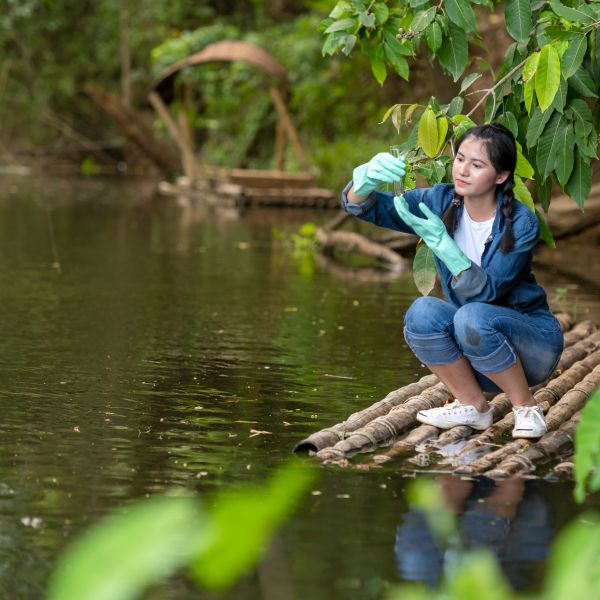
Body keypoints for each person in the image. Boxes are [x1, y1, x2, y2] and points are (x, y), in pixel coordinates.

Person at [342, 123, 563, 438]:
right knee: (422, 313)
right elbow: (374, 208)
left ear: (501, 176)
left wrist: (445, 246)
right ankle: (473, 405)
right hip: (480, 354)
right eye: (460, 159)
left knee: (471, 315)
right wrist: (363, 182)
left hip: (533, 348)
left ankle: (526, 408)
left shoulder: (521, 222)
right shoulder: (441, 200)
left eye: (477, 165)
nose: (463, 170)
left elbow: (488, 291)